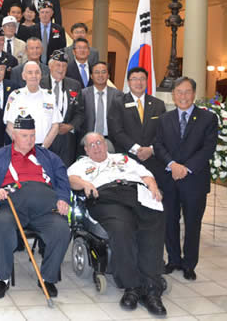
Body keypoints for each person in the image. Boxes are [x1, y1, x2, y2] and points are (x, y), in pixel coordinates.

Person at [68, 132, 167, 315]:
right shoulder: (82, 164)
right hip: (105, 197)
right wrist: (84, 183)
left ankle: (152, 290)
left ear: (106, 145)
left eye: (99, 142)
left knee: (154, 220)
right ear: (86, 149)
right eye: (92, 145)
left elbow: (145, 174)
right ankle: (132, 287)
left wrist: (152, 186)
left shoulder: (122, 158)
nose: (97, 147)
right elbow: (71, 179)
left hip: (134, 192)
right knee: (121, 229)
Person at [0, 114, 71, 299]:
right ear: (14, 135)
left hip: (44, 209)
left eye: (32, 136)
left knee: (62, 229)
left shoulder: (48, 156)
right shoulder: (0, 156)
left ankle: (47, 278)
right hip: (12, 207)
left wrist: (62, 199)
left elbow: (62, 181)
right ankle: (2, 278)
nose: (29, 140)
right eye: (24, 136)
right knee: (3, 225)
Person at [153, 77, 218, 281]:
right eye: (179, 92)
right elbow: (158, 145)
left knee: (192, 224)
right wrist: (172, 165)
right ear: (173, 95)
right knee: (169, 221)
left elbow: (208, 148)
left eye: (187, 92)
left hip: (194, 180)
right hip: (169, 178)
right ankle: (173, 260)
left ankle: (189, 264)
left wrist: (186, 168)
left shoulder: (208, 119)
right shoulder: (164, 119)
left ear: (194, 94)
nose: (183, 96)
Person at [108, 67, 166, 180]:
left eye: (142, 79)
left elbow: (163, 131)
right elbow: (116, 131)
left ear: (147, 81)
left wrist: (150, 149)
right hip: (127, 158)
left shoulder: (158, 104)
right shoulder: (118, 103)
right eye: (134, 79)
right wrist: (137, 149)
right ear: (128, 82)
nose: (138, 82)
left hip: (153, 158)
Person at [3, 62, 61, 148]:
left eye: (37, 72)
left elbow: (55, 125)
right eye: (30, 72)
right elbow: (9, 126)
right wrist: (22, 145)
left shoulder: (49, 96)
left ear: (41, 75)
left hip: (45, 147)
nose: (34, 76)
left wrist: (43, 148)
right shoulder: (15, 96)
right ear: (23, 76)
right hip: (21, 148)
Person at [43, 50, 85, 167]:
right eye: (58, 65)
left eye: (64, 66)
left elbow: (80, 112)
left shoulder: (75, 85)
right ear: (50, 66)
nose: (61, 69)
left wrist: (70, 126)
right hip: (45, 136)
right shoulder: (40, 84)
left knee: (65, 171)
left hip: (66, 138)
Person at [81, 62, 122, 152]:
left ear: (108, 75)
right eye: (96, 72)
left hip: (111, 140)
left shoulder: (118, 95)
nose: (100, 75)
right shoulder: (82, 94)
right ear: (91, 76)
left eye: (103, 72)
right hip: (88, 140)